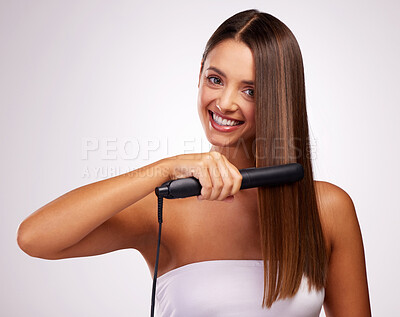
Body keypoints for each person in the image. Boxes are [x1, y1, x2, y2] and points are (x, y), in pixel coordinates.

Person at [16, 9, 371, 316]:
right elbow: (35, 238)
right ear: (199, 72)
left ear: (279, 97)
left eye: (251, 90)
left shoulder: (327, 209)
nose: (226, 102)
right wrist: (167, 168)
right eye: (215, 80)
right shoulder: (167, 203)